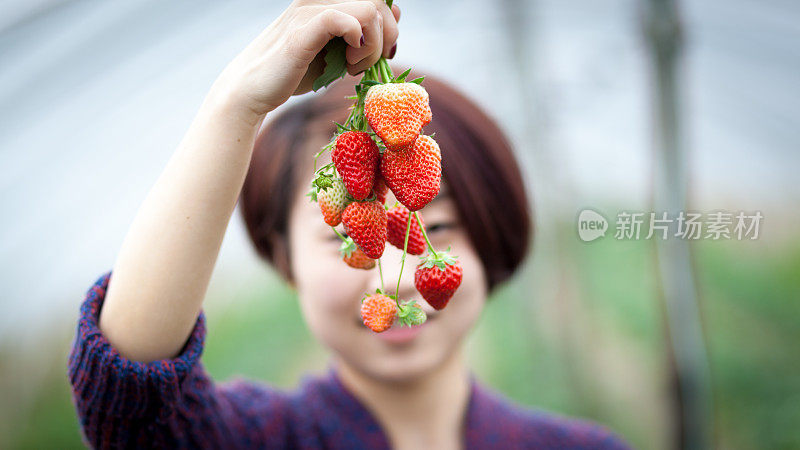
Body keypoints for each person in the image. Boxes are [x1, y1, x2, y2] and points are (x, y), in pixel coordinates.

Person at [67, 1, 630, 448]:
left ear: (493, 237)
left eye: (437, 227)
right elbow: (129, 401)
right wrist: (237, 102)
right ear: (285, 261)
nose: (400, 276)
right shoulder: (253, 440)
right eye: (345, 237)